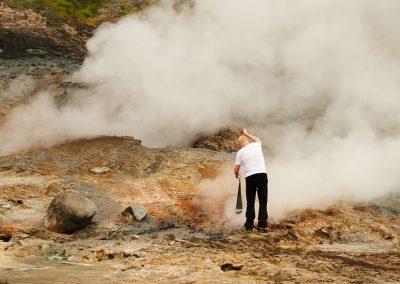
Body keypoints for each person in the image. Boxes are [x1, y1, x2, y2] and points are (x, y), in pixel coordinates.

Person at [234, 129, 268, 232]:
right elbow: (257, 139)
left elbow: (236, 169)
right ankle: (262, 225)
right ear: (247, 141)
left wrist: (236, 175)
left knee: (250, 201)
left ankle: (249, 225)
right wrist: (246, 134)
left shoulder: (240, 152)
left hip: (250, 177)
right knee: (263, 201)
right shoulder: (256, 145)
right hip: (262, 174)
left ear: (240, 144)